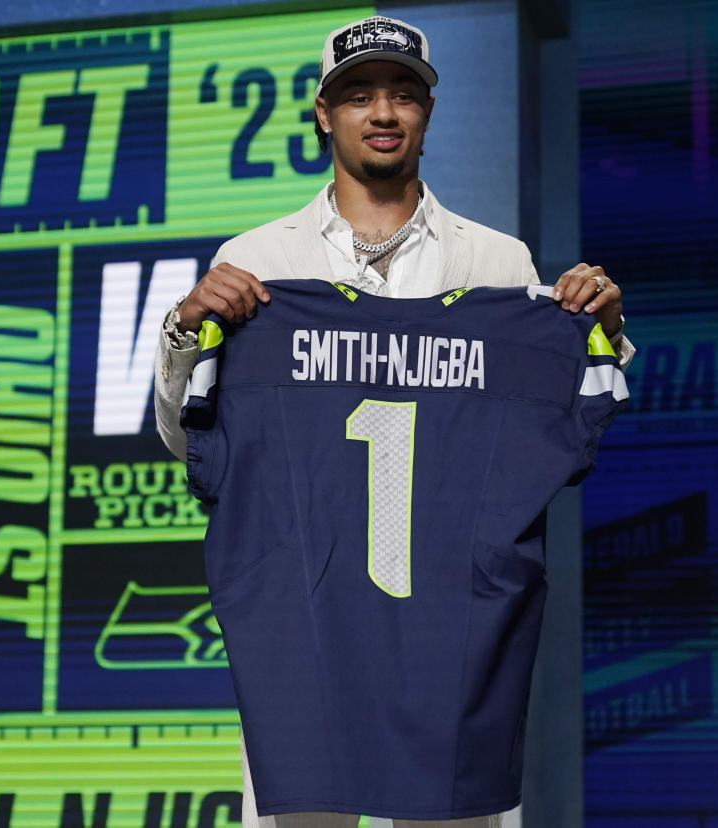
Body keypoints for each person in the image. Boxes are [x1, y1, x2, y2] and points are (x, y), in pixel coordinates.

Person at [153, 15, 634, 828]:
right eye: (360, 95)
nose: (383, 112)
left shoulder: (497, 264)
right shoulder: (258, 262)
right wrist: (182, 332)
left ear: (428, 113)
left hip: (451, 633)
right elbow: (189, 440)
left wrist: (600, 333)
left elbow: (564, 429)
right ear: (322, 112)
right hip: (304, 629)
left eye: (404, 95)